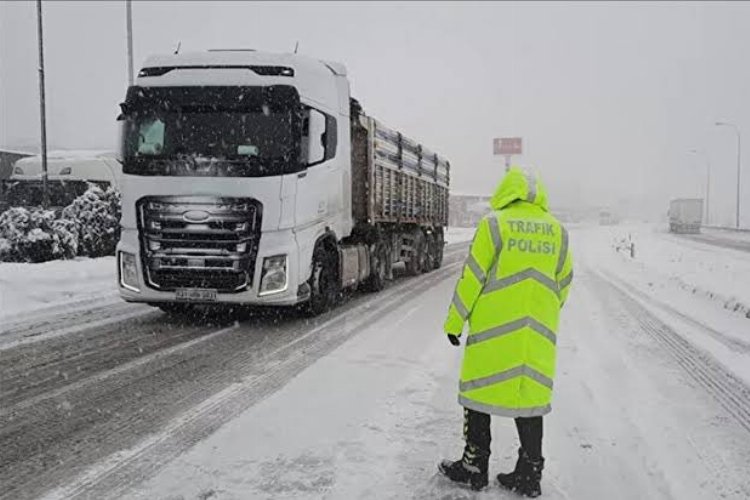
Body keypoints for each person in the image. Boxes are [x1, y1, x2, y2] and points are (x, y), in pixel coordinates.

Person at [438, 167, 573, 497]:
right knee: (529, 401)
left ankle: (474, 465)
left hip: (492, 332)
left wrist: (455, 322)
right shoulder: (557, 230)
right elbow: (564, 282)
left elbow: (472, 277)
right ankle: (530, 473)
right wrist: (542, 313)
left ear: (505, 192)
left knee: (479, 393)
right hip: (534, 337)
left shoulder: (494, 224)